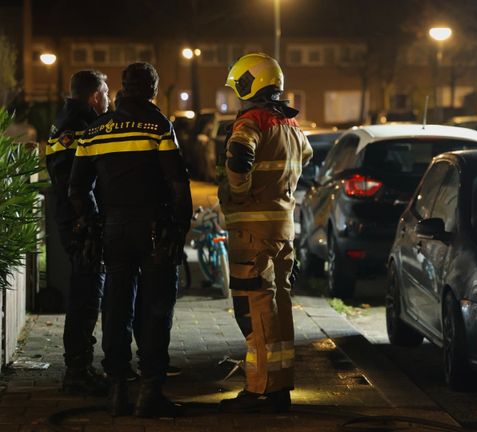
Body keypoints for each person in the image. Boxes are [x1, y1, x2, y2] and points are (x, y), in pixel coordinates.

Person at [69, 62, 192, 417]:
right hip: (154, 230)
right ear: (153, 90)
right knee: (156, 309)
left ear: (123, 88)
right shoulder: (158, 126)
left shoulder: (95, 130)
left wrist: (93, 224)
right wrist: (179, 226)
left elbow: (77, 188)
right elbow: (178, 184)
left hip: (114, 231)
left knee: (116, 306)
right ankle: (150, 391)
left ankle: (118, 390)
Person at [217, 53, 312, 413]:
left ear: (248, 85)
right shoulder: (290, 125)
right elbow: (306, 158)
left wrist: (238, 194)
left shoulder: (252, 120)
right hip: (282, 229)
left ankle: (262, 390)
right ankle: (279, 385)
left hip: (252, 233)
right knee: (279, 307)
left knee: (254, 308)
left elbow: (240, 155)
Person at [46, 70, 109, 395]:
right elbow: (76, 183)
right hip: (80, 224)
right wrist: (91, 221)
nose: (109, 99)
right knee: (85, 297)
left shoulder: (67, 119)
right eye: (107, 93)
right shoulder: (80, 127)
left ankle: (80, 365)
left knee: (85, 294)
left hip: (73, 220)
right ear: (95, 95)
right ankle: (77, 370)